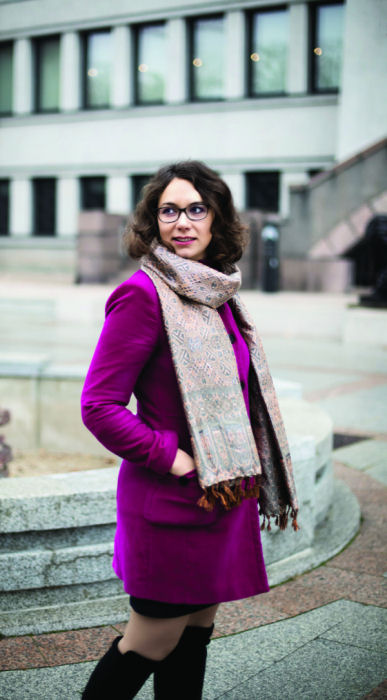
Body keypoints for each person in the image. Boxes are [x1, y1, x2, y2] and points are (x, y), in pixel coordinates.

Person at [80, 161, 298, 699]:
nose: (182, 222)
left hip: (221, 498)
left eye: (196, 209)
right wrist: (174, 458)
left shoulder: (218, 294)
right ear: (153, 222)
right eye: (169, 211)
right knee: (147, 645)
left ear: (216, 218)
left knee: (194, 638)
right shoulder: (142, 295)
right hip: (172, 503)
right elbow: (99, 406)